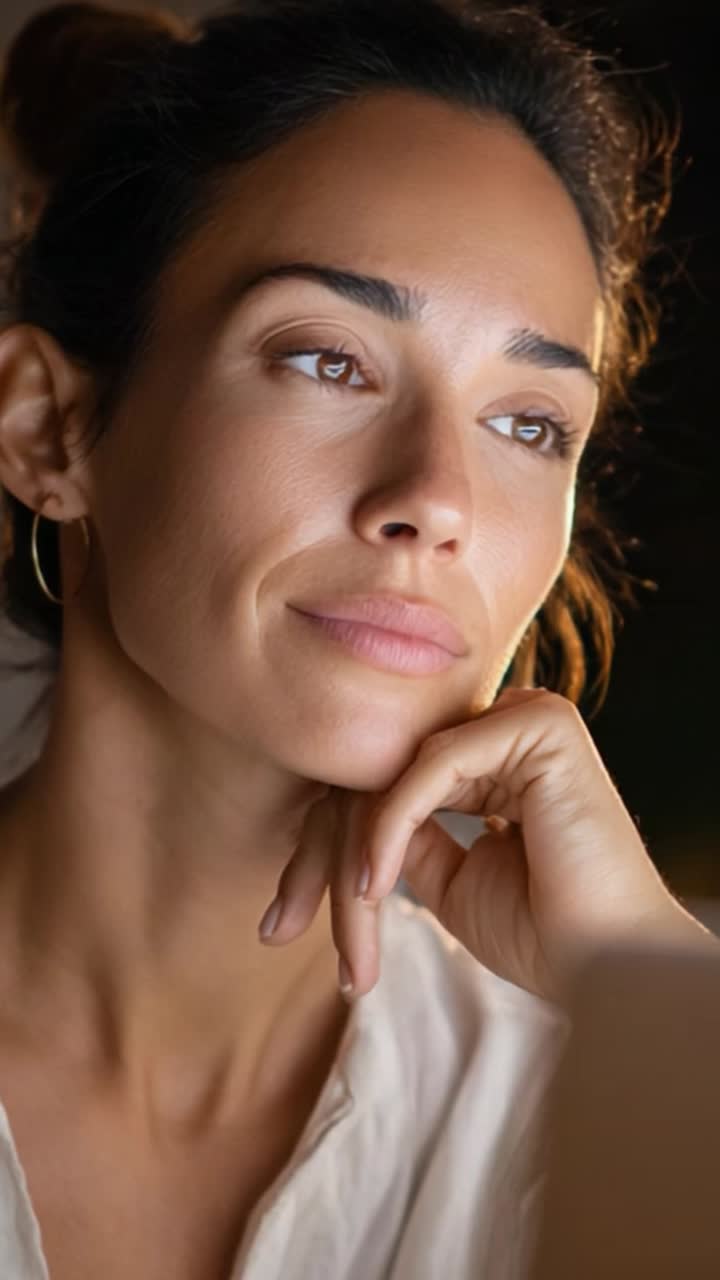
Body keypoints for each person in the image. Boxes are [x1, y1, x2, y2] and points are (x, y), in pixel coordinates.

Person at [0, 1, 715, 1277]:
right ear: (51, 429)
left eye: (530, 424)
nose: (437, 497)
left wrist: (645, 990)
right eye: (329, 360)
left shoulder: (629, 1078)